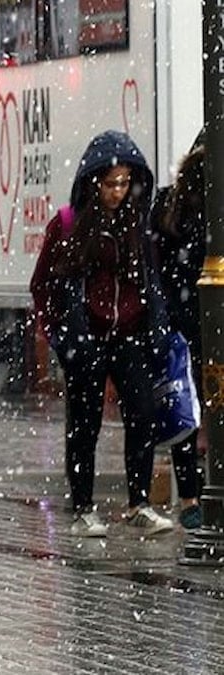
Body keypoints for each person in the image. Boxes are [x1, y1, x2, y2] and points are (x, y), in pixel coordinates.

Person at [30, 129, 174, 538]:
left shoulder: (138, 224)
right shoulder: (69, 224)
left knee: (143, 415)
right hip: (86, 336)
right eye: (112, 183)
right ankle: (83, 506)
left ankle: (139, 502)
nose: (119, 192)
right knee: (84, 424)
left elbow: (151, 278)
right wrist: (59, 332)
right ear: (94, 183)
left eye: (125, 183)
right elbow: (43, 284)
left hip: (129, 335)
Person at [151, 130, 207, 530]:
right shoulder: (179, 206)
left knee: (185, 410)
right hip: (196, 324)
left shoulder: (169, 204)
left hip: (183, 325)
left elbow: (156, 268)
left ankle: (191, 495)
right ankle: (194, 495)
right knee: (196, 408)